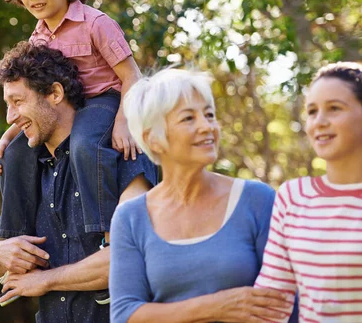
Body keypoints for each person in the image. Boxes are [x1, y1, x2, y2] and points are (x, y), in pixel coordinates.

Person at [0, 0, 148, 241]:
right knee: (15, 154)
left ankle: (104, 231)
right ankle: (16, 239)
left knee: (84, 143)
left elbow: (132, 76)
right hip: (66, 106)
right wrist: (9, 135)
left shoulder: (96, 23)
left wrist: (123, 123)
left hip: (104, 99)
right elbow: (34, 100)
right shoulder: (38, 39)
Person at [109, 69, 296, 323]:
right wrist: (216, 306)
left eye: (209, 115)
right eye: (188, 118)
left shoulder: (258, 200)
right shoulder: (130, 217)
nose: (207, 126)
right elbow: (124, 315)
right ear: (153, 139)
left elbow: (287, 303)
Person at [0, 41, 157, 323]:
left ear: (55, 93)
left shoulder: (125, 154)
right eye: (8, 105)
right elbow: (10, 275)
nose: (10, 117)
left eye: (18, 102)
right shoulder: (25, 170)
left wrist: (48, 280)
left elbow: (130, 256)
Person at [255, 62, 362, 322]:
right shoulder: (293, 196)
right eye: (312, 111)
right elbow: (272, 300)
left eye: (334, 108)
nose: (319, 122)